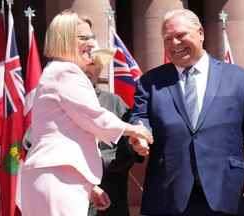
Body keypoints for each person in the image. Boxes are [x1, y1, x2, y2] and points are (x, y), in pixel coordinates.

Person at [129, 9, 244, 216]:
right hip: (169, 195)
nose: (174, 44)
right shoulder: (150, 82)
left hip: (228, 192)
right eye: (167, 39)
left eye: (180, 36)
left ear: (201, 33)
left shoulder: (238, 78)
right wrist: (140, 134)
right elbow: (140, 117)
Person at [20, 10, 152, 216]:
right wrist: (136, 130)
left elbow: (66, 133)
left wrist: (90, 187)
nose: (92, 44)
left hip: (57, 178)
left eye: (91, 37)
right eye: (83, 38)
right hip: (56, 180)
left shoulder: (54, 71)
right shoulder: (66, 71)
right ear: (63, 40)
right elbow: (96, 118)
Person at [87, 68, 135, 216]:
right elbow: (31, 143)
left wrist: (102, 161)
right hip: (72, 194)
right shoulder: (58, 104)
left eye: (93, 66)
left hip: (111, 192)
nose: (87, 71)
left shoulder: (114, 102)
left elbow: (131, 149)